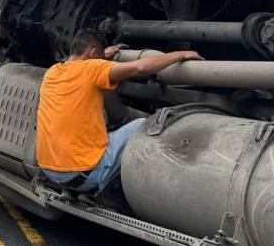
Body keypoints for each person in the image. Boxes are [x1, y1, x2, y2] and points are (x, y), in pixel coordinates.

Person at [37, 29, 203, 197]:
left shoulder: (52, 72)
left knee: (102, 122)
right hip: (83, 176)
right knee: (143, 125)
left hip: (50, 171)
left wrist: (102, 54)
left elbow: (87, 60)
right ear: (93, 53)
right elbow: (139, 67)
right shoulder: (92, 68)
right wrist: (180, 54)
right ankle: (116, 193)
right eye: (99, 56)